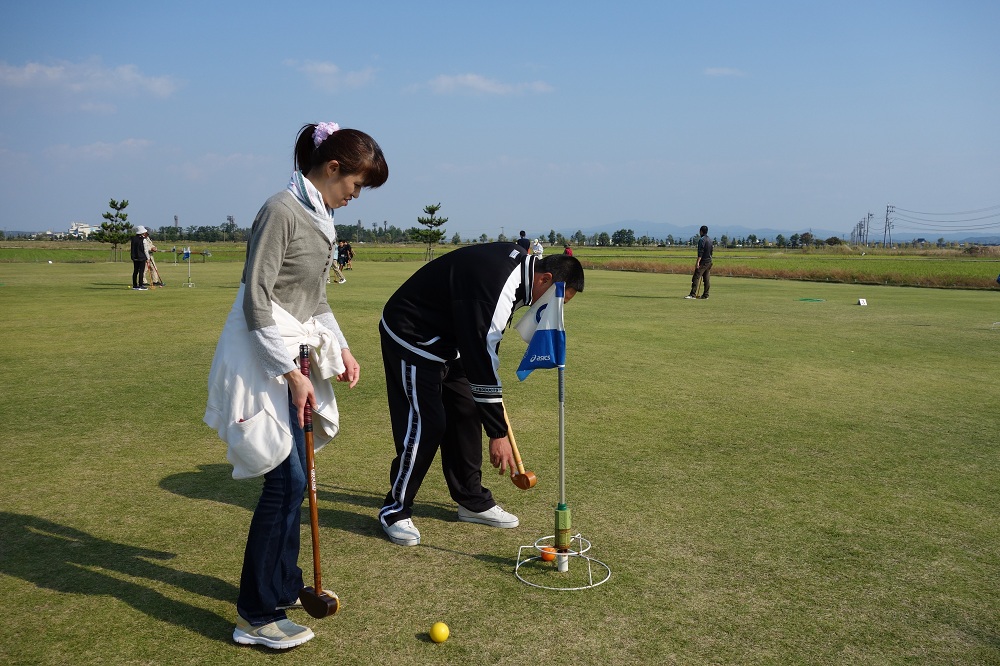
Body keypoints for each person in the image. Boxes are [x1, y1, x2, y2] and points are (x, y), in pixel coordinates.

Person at [204, 122, 387, 649]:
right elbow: (255, 300)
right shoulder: (280, 210)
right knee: (284, 482)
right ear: (332, 168)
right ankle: (255, 616)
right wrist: (290, 374)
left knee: (297, 475)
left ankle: (282, 586)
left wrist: (344, 348)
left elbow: (315, 299)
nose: (356, 196)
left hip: (294, 353)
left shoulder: (321, 215)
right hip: (260, 355)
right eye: (356, 183)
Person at [377, 244, 584, 546]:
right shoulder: (501, 285)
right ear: (545, 278)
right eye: (557, 300)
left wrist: (490, 413)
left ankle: (471, 500)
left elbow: (482, 346)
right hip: (412, 335)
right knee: (429, 422)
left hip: (451, 339)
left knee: (466, 410)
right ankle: (394, 510)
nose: (555, 309)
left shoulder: (521, 275)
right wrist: (497, 433)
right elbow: (483, 356)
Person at [686, 225, 713, 299]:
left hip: (703, 262)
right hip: (709, 261)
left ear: (701, 231)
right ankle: (706, 295)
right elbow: (711, 252)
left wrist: (698, 262)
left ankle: (692, 294)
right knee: (706, 279)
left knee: (696, 277)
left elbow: (700, 252)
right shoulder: (710, 240)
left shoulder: (702, 240)